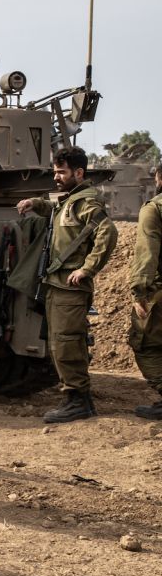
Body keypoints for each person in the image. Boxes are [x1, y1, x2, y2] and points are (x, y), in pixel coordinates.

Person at [16, 146, 118, 423]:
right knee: (61, 344)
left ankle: (78, 401)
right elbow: (58, 215)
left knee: (67, 343)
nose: (57, 177)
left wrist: (87, 268)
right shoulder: (70, 201)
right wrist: (36, 203)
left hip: (70, 287)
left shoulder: (86, 203)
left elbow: (107, 233)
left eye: (62, 172)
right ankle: (76, 398)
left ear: (79, 172)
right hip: (58, 285)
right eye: (55, 172)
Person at [129, 165, 162, 418]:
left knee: (146, 344)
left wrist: (140, 292)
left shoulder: (154, 209)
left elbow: (146, 253)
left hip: (158, 292)